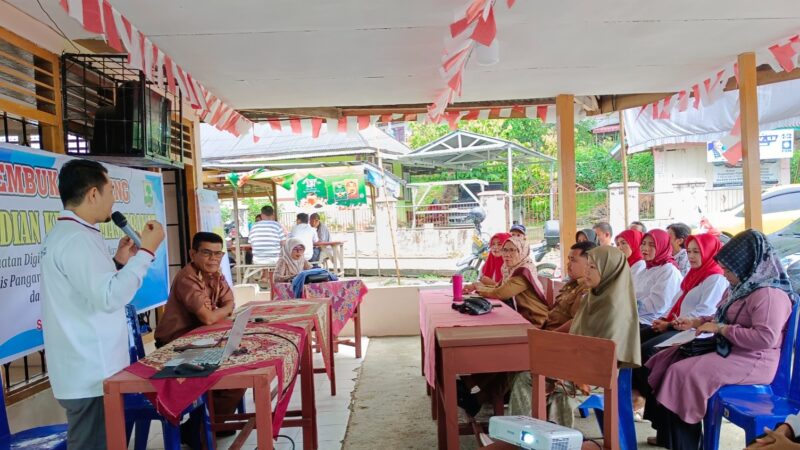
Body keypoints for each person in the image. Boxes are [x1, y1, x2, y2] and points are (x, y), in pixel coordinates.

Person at [41, 159, 165, 450]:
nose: (114, 200)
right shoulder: (75, 239)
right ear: (93, 194)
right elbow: (109, 298)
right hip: (89, 371)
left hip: (91, 368)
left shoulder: (76, 234)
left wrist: (118, 262)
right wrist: (146, 251)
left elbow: (87, 289)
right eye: (111, 191)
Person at [642, 230, 794, 449]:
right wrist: (696, 322)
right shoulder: (740, 287)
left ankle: (686, 444)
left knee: (682, 373)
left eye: (728, 269)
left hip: (753, 360)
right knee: (667, 359)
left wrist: (722, 329)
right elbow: (721, 315)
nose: (724, 274)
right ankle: (673, 438)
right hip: (730, 351)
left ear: (747, 264)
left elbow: (765, 338)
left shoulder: (769, 295)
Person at [154, 232, 243, 444]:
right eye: (206, 253)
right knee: (232, 376)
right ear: (192, 254)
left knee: (242, 363)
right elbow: (209, 317)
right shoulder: (188, 277)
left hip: (200, 342)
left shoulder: (215, 274)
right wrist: (224, 310)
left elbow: (229, 302)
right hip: (175, 347)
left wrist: (224, 309)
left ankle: (210, 424)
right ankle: (196, 429)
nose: (213, 259)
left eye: (218, 254)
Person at [631, 234, 727, 423]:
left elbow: (704, 311)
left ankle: (647, 402)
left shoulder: (715, 277)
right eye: (689, 251)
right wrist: (665, 321)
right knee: (634, 341)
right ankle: (643, 400)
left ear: (709, 252)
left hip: (693, 331)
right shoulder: (694, 274)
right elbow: (676, 303)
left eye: (697, 252)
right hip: (677, 324)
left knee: (649, 352)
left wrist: (671, 323)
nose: (691, 256)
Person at [508, 240, 598, 423]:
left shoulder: (590, 290)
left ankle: (522, 429)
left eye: (573, 260)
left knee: (522, 374)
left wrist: (548, 338)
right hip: (553, 343)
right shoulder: (572, 285)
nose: (568, 264)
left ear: (590, 263)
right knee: (509, 359)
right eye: (568, 259)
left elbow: (576, 325)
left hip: (568, 353)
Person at [473, 235, 550, 326]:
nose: (507, 254)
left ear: (522, 251)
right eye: (505, 250)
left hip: (535, 320)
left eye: (512, 250)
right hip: (521, 316)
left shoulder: (523, 272)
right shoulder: (510, 269)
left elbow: (500, 293)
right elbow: (499, 287)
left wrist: (478, 288)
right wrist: (478, 287)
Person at [636, 229, 683, 329]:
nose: (645, 248)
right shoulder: (646, 269)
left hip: (650, 322)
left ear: (662, 246)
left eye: (652, 245)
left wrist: (629, 306)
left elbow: (657, 305)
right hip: (635, 317)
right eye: (643, 243)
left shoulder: (668, 270)